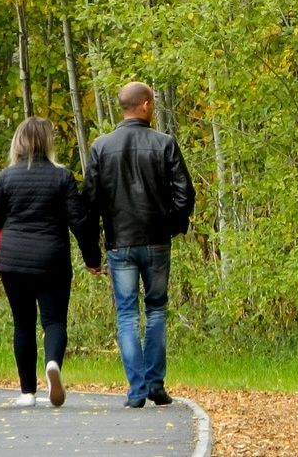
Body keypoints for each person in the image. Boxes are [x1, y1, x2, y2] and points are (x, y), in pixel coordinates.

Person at [83, 81, 196, 408]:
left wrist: (93, 252)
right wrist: (173, 225)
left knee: (127, 314)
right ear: (145, 105)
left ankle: (136, 390)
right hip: (156, 240)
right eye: (153, 103)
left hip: (120, 243)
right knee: (156, 309)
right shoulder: (164, 144)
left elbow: (89, 204)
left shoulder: (101, 147)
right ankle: (155, 384)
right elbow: (184, 193)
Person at [0, 116, 100, 408]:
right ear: (48, 143)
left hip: (13, 261)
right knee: (54, 320)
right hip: (52, 259)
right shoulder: (62, 177)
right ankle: (52, 364)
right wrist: (92, 258)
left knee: (23, 323)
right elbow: (79, 221)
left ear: (19, 142)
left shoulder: (6, 177)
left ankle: (27, 392)